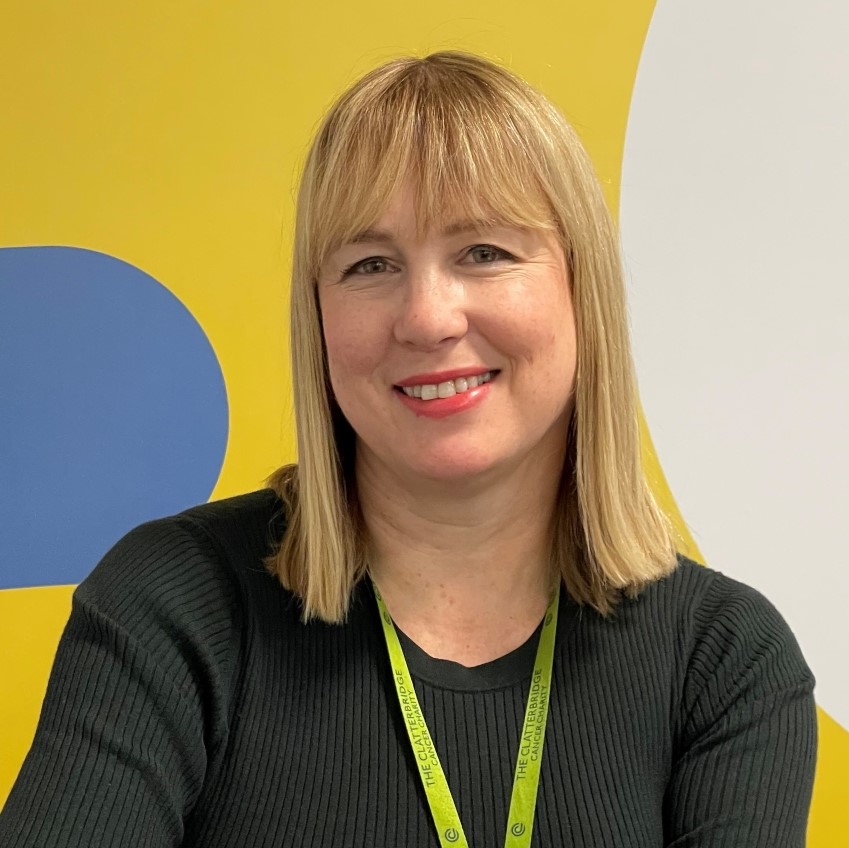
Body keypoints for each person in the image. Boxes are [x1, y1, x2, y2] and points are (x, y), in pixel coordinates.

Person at [0, 51, 816, 847]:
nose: (427, 317)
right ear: (316, 318)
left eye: (483, 253)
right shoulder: (175, 605)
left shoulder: (722, 658)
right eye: (370, 264)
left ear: (581, 286)